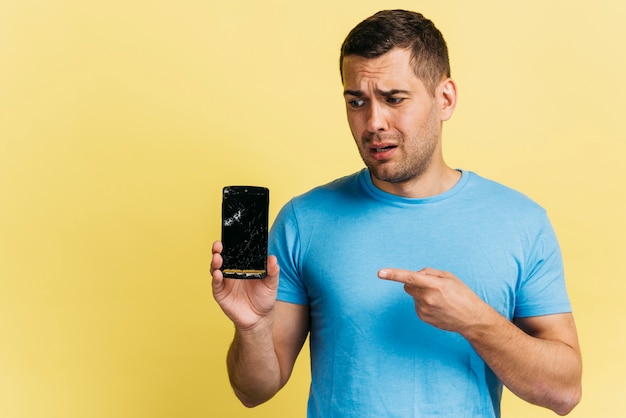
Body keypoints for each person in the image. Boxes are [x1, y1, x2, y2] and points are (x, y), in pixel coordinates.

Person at [211, 9, 582, 417]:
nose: (374, 123)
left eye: (394, 99)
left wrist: (475, 320)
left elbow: (563, 393)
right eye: (357, 102)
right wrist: (251, 327)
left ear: (445, 99)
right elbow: (254, 390)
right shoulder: (305, 219)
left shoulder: (521, 222)